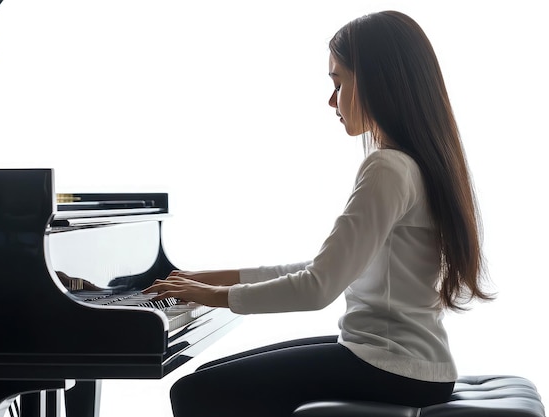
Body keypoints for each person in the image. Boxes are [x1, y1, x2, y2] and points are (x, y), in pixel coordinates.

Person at [144, 10, 493, 417]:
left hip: (394, 368)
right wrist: (208, 278)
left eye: (338, 81)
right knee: (211, 376)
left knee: (195, 392)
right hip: (404, 362)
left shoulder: (388, 168)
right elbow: (325, 269)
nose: (331, 99)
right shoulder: (414, 163)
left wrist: (213, 297)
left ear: (376, 81)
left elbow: (317, 288)